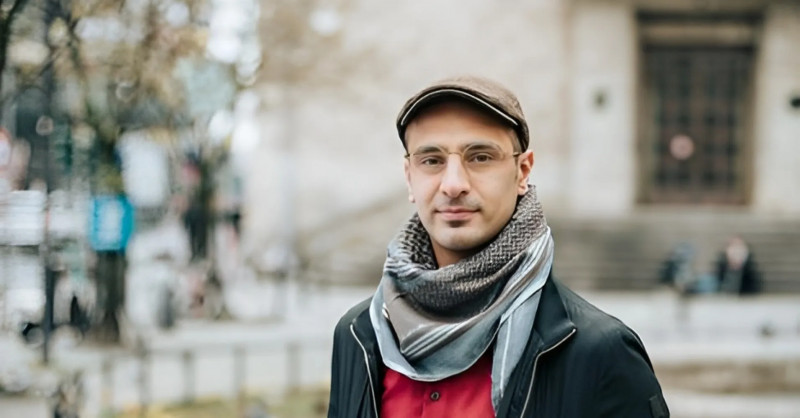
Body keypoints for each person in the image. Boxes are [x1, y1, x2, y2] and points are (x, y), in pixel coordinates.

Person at [327, 76, 669, 418]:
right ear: (409, 176)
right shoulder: (358, 335)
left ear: (523, 171)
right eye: (431, 160)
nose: (454, 184)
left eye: (480, 157)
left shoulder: (599, 352)